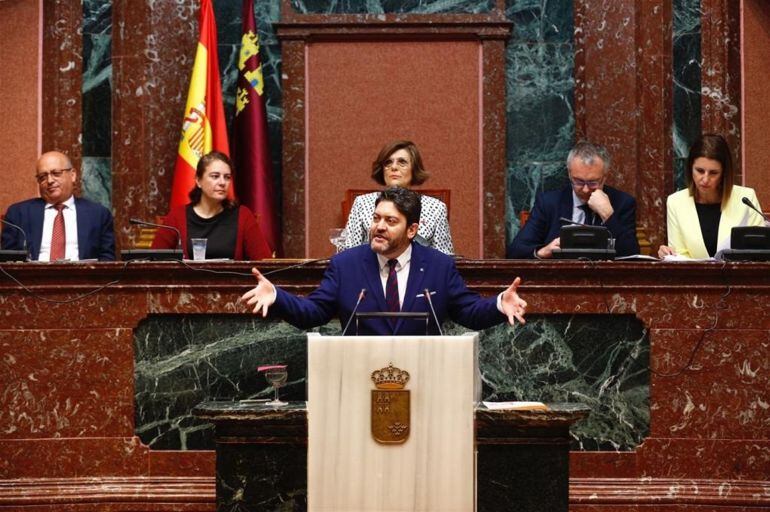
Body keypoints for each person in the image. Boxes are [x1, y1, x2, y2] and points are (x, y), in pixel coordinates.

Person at [241, 187, 526, 335]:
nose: (379, 226)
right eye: (376, 218)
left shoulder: (439, 266)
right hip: (359, 379)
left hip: (424, 379)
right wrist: (277, 296)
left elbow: (470, 312)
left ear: (412, 230)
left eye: (390, 221)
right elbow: (312, 312)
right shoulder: (345, 265)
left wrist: (499, 303)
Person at [507, 141, 639, 259]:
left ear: (604, 177)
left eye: (593, 183)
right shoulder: (549, 203)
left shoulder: (623, 203)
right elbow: (515, 251)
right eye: (579, 182)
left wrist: (608, 215)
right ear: (570, 174)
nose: (586, 189)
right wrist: (543, 252)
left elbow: (632, 256)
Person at [658, 134, 766, 259]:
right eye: (699, 171)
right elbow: (680, 255)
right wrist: (669, 254)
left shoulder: (746, 198)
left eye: (713, 173)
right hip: (693, 277)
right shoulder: (676, 202)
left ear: (724, 173)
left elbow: (759, 253)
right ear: (690, 168)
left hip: (738, 277)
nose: (705, 179)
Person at [152, 151, 272, 260]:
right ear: (198, 181)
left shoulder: (243, 216)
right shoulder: (177, 217)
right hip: (189, 283)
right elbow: (153, 263)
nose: (222, 183)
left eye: (227, 177)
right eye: (215, 176)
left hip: (231, 283)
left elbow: (265, 264)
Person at [341, 140, 454, 254]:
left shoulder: (436, 208)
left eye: (402, 162)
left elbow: (445, 257)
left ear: (414, 169)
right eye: (388, 163)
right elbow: (349, 251)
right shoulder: (362, 203)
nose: (393, 167)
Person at [1, 151, 115, 261]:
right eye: (42, 177)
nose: (49, 181)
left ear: (73, 175)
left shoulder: (98, 214)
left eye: (56, 173)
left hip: (82, 278)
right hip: (32, 278)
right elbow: (8, 262)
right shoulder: (18, 213)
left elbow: (107, 260)